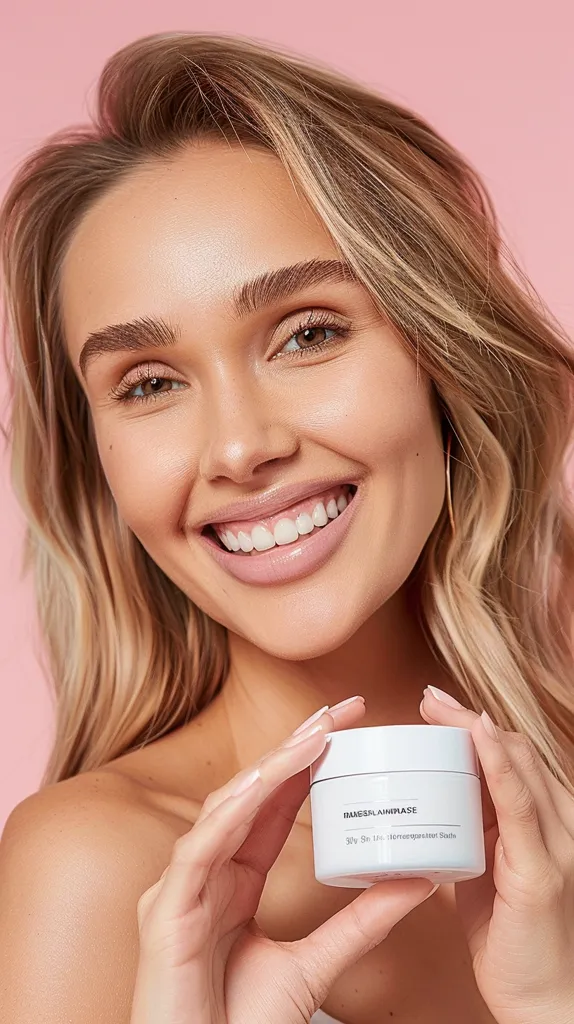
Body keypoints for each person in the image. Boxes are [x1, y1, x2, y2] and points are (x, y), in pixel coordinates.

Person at [0, 30, 573, 1024]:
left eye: (308, 332)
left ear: (442, 354)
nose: (237, 446)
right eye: (148, 383)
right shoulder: (99, 877)